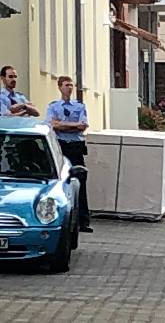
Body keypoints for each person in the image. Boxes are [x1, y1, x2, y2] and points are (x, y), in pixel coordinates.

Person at [46, 76, 92, 233]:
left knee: (80, 181)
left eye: (71, 85)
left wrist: (63, 125)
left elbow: (83, 126)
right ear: (59, 87)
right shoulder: (53, 106)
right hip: (60, 146)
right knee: (60, 180)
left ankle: (83, 221)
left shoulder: (79, 106)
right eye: (66, 85)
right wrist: (72, 126)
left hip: (75, 147)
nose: (69, 88)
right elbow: (52, 125)